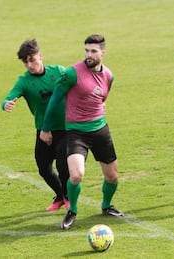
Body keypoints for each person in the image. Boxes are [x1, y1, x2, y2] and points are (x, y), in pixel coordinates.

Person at [40, 34, 124, 230]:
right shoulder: (71, 74)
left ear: (103, 53)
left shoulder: (109, 76)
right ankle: (72, 211)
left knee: (112, 176)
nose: (89, 55)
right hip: (76, 132)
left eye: (93, 51)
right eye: (86, 50)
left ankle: (106, 206)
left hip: (100, 130)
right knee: (76, 175)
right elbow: (54, 101)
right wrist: (45, 128)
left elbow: (102, 98)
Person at [1, 39, 70, 211]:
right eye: (26, 62)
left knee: (63, 165)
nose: (30, 65)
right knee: (43, 168)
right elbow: (8, 97)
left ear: (40, 56)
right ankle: (60, 195)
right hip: (43, 131)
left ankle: (69, 198)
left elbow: (78, 86)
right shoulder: (24, 81)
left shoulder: (58, 71)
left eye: (32, 59)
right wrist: (6, 104)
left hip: (65, 128)